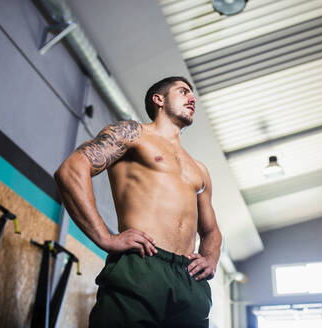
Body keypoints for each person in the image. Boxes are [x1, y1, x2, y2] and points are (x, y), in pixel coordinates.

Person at [54, 76, 222, 327]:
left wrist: (209, 259)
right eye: (183, 91)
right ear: (159, 99)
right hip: (143, 264)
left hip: (188, 279)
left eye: (193, 95)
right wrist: (106, 237)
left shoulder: (199, 169)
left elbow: (211, 231)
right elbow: (71, 171)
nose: (192, 98)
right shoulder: (133, 134)